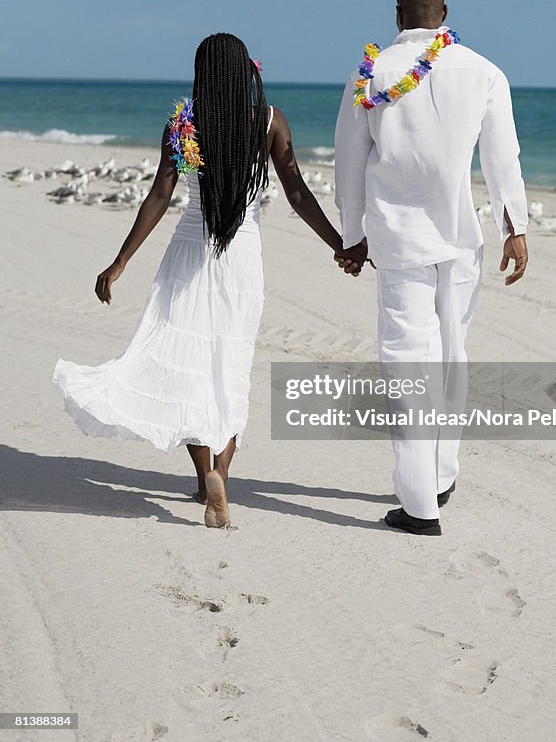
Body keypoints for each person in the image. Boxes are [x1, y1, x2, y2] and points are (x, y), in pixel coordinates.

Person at [54, 33, 353, 529]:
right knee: (228, 365)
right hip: (242, 259)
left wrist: (120, 261)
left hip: (190, 249)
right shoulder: (270, 120)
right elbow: (297, 192)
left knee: (186, 365)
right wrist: (338, 243)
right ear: (248, 71)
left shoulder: (183, 123)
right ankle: (222, 474)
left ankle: (203, 478)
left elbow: (158, 195)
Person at [334, 0, 528, 536]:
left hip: (399, 240)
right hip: (461, 237)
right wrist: (514, 226)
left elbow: (349, 163)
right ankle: (441, 474)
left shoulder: (368, 72)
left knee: (405, 362)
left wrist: (351, 233)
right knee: (451, 354)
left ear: (398, 14)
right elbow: (502, 158)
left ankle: (420, 504)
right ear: (444, 11)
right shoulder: (484, 72)